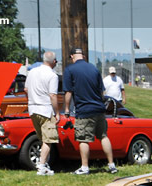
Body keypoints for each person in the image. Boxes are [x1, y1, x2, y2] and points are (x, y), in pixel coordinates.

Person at [62, 47, 115, 175]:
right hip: (99, 109)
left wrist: (67, 110)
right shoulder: (94, 69)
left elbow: (68, 92)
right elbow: (102, 92)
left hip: (84, 110)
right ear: (84, 56)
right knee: (103, 136)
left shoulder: (70, 70)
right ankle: (112, 165)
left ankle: (84, 167)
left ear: (72, 57)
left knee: (83, 139)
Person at [25, 51, 60, 175]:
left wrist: (30, 100)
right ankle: (42, 166)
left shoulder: (32, 71)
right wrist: (57, 112)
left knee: (42, 138)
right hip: (45, 109)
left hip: (33, 109)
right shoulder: (53, 75)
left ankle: (44, 163)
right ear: (54, 61)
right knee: (49, 140)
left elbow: (26, 89)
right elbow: (52, 95)